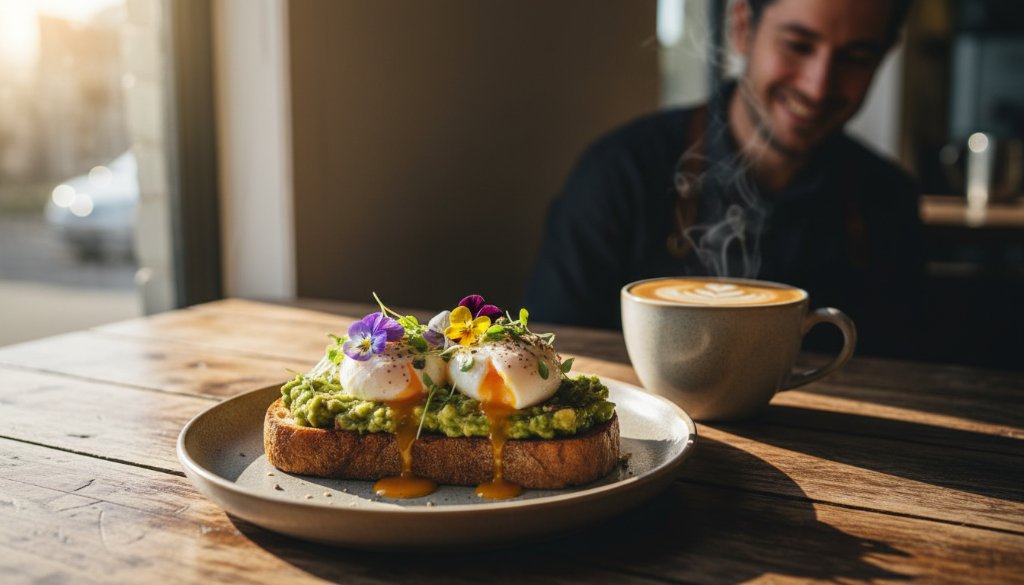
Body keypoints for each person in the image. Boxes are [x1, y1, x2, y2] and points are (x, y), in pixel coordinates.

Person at [525, 0, 928, 359]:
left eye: (855, 57)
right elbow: (551, 349)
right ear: (741, 27)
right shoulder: (621, 172)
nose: (818, 85)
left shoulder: (888, 199)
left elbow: (908, 371)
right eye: (798, 45)